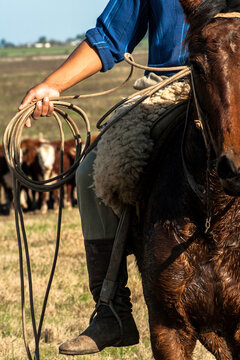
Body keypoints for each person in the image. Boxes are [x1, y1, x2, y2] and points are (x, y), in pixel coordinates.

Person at [19, 0, 189, 356]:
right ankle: (111, 308)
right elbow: (111, 35)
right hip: (168, 86)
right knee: (91, 173)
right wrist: (52, 84)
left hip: (230, 80)